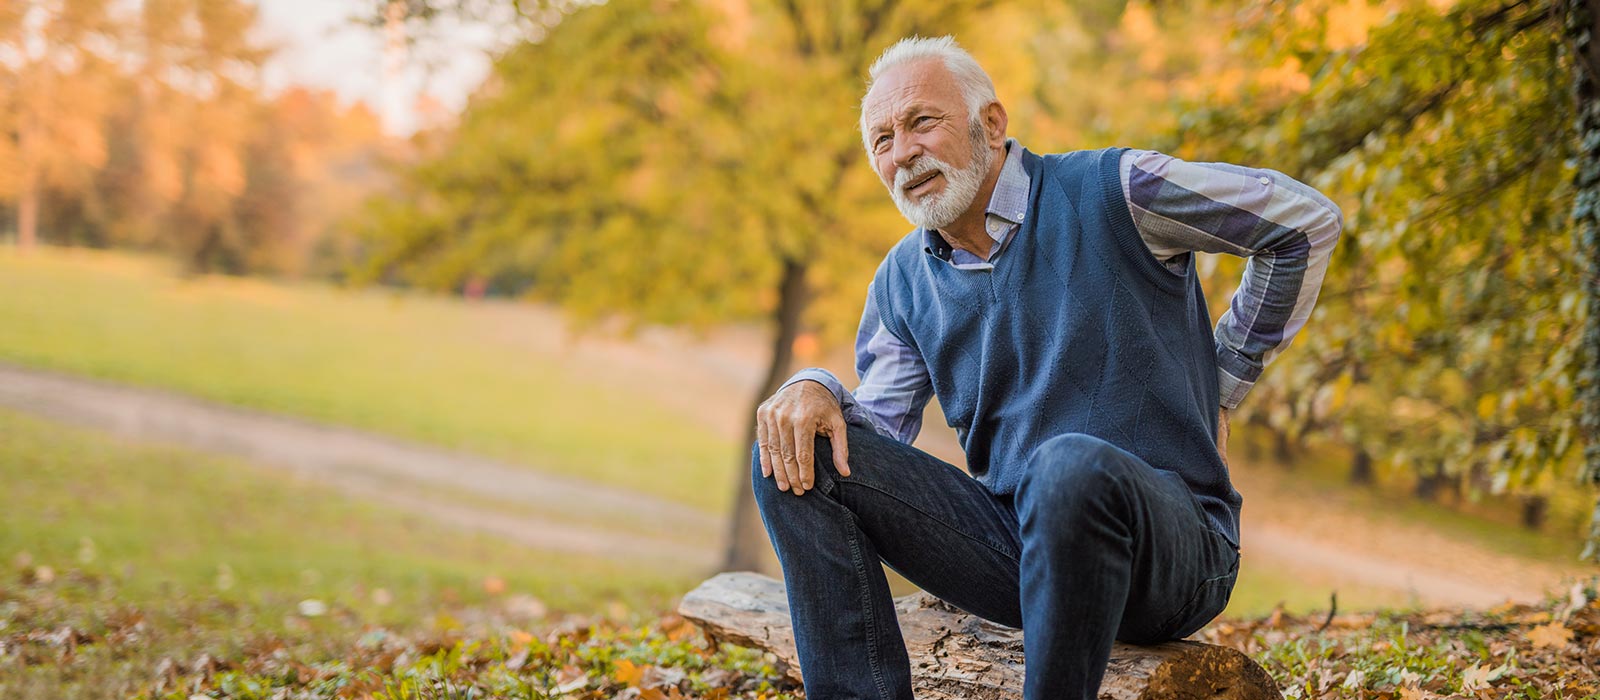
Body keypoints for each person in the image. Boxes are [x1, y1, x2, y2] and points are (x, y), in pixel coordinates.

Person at [750, 35, 1342, 700]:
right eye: (882, 140)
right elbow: (876, 432)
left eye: (922, 121)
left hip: (1177, 553)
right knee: (793, 454)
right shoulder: (900, 283)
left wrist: (1225, 384)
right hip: (1021, 554)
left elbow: (1303, 224)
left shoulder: (1119, 191)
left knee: (1066, 467)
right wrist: (811, 386)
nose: (903, 152)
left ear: (991, 124)